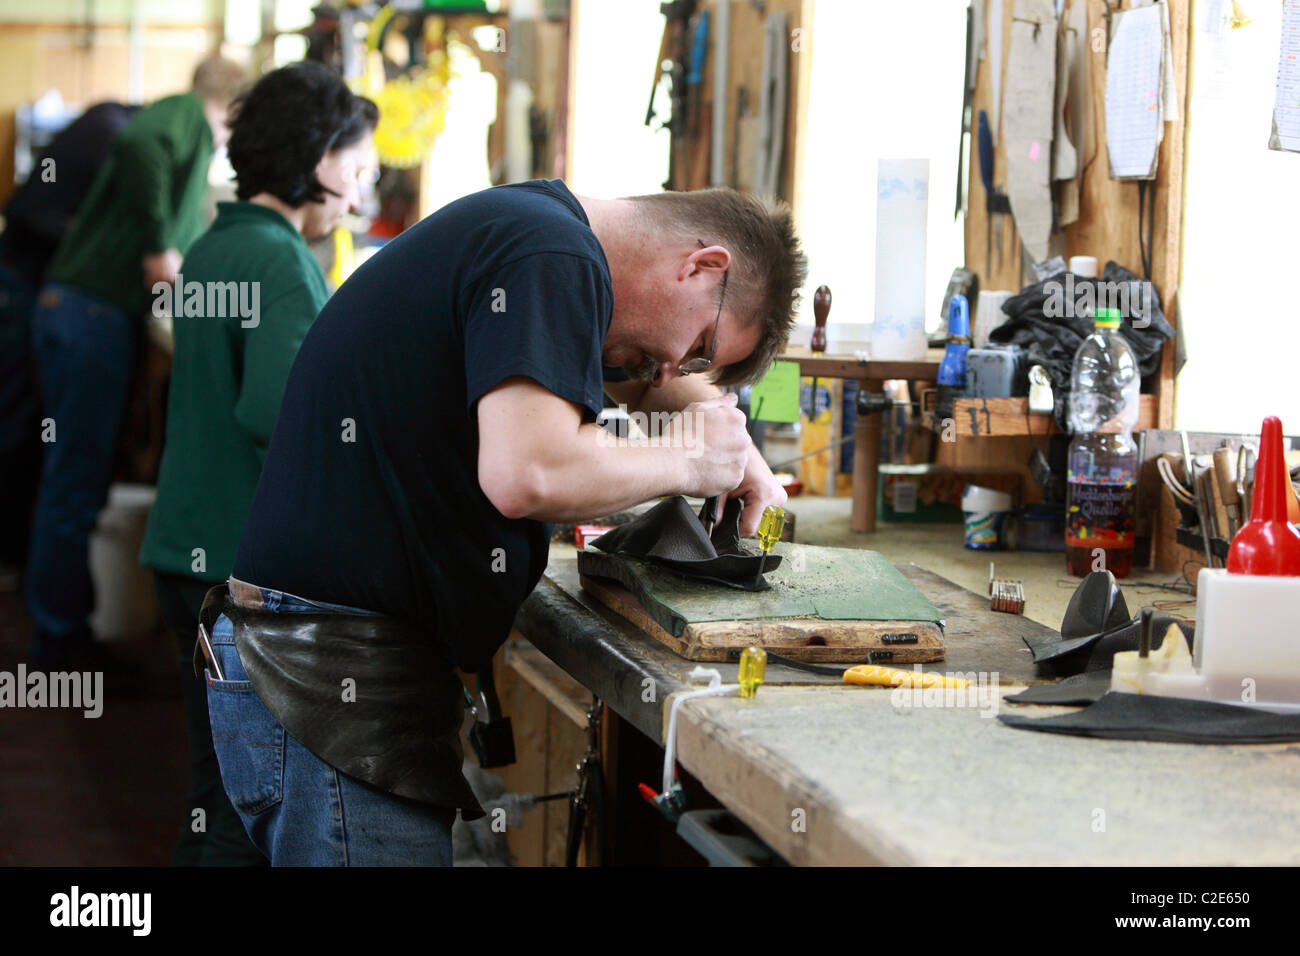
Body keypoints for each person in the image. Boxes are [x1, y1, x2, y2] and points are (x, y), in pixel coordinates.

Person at [202, 178, 805, 866]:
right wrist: (692, 458)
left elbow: (641, 375)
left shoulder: (540, 237)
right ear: (703, 265)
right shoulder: (552, 255)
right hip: (324, 673)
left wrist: (738, 447)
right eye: (700, 345)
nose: (676, 366)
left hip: (329, 664)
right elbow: (529, 473)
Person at [138, 61, 377, 867]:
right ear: (318, 161)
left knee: (216, 797)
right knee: (250, 811)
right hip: (238, 574)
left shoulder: (218, 241)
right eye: (356, 166)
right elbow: (280, 414)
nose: (360, 189)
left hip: (183, 552)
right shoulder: (280, 262)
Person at [24, 57, 246, 671]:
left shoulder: (192, 135)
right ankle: (58, 645)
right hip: (87, 313)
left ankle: (61, 633)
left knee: (76, 479)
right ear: (231, 105)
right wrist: (157, 245)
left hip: (82, 312)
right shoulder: (182, 118)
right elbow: (144, 144)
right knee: (74, 481)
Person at [0, 101, 139, 580]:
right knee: (19, 422)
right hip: (22, 283)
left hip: (28, 282)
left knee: (30, 426)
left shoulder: (109, 119)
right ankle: (13, 560)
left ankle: (19, 561)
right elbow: (33, 213)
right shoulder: (120, 137)